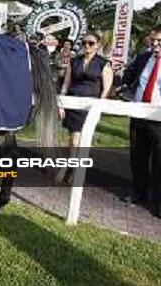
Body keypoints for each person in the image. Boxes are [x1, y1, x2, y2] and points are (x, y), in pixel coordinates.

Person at [58, 32, 113, 178]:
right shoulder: (74, 61)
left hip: (90, 106)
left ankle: (75, 171)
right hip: (73, 103)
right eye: (84, 43)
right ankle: (69, 167)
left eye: (91, 43)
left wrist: (99, 107)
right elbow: (66, 83)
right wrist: (61, 103)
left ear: (98, 45)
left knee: (79, 140)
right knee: (72, 140)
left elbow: (106, 88)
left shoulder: (103, 63)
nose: (87, 46)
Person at [120, 26, 161, 217]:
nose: (155, 45)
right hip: (137, 113)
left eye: (159, 41)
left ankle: (157, 201)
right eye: (153, 41)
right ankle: (138, 193)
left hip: (158, 118)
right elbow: (129, 77)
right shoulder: (144, 57)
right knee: (137, 157)